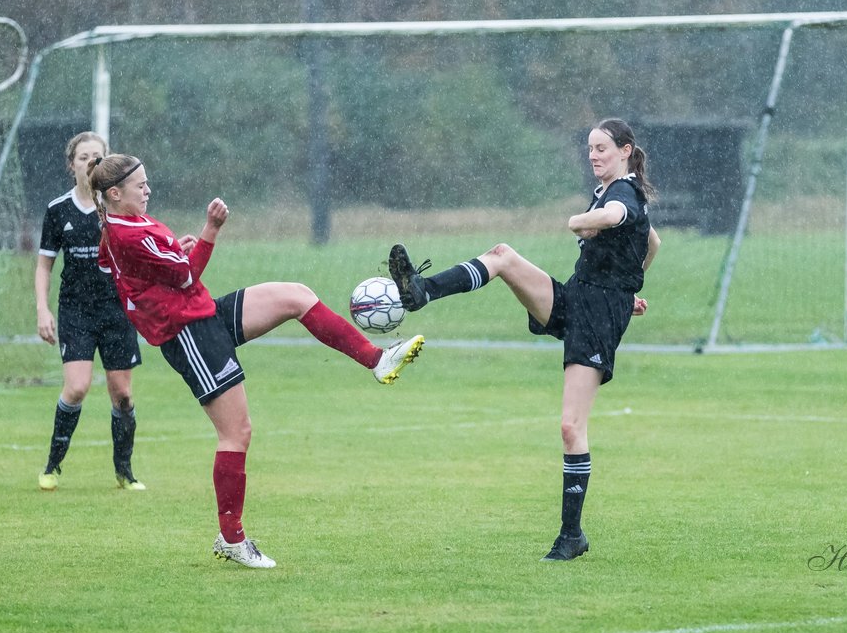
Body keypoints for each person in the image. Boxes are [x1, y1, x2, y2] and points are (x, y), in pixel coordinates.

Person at [92, 153, 425, 569]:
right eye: (140, 185)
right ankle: (232, 538)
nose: (148, 189)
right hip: (188, 334)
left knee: (296, 296)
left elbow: (135, 268)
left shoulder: (128, 225)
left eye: (147, 182)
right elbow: (183, 276)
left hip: (203, 314)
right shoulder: (124, 233)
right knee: (237, 434)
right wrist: (210, 231)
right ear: (114, 193)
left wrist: (172, 253)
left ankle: (376, 359)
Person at [388, 117, 661, 562]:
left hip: (598, 316)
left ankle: (571, 535)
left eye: (602, 148)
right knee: (502, 257)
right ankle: (421, 292)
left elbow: (616, 218)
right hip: (581, 297)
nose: (593, 155)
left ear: (626, 150)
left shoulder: (623, 194)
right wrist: (630, 285)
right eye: (589, 148)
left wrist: (581, 225)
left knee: (571, 427)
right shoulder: (611, 191)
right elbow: (652, 243)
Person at [35, 131, 145, 492]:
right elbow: (45, 266)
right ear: (72, 165)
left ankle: (124, 471)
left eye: (97, 156)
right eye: (83, 157)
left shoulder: (119, 208)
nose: (90, 162)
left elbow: (144, 252)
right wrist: (42, 310)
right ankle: (52, 465)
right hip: (76, 312)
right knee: (78, 387)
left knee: (123, 395)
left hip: (117, 312)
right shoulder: (58, 210)